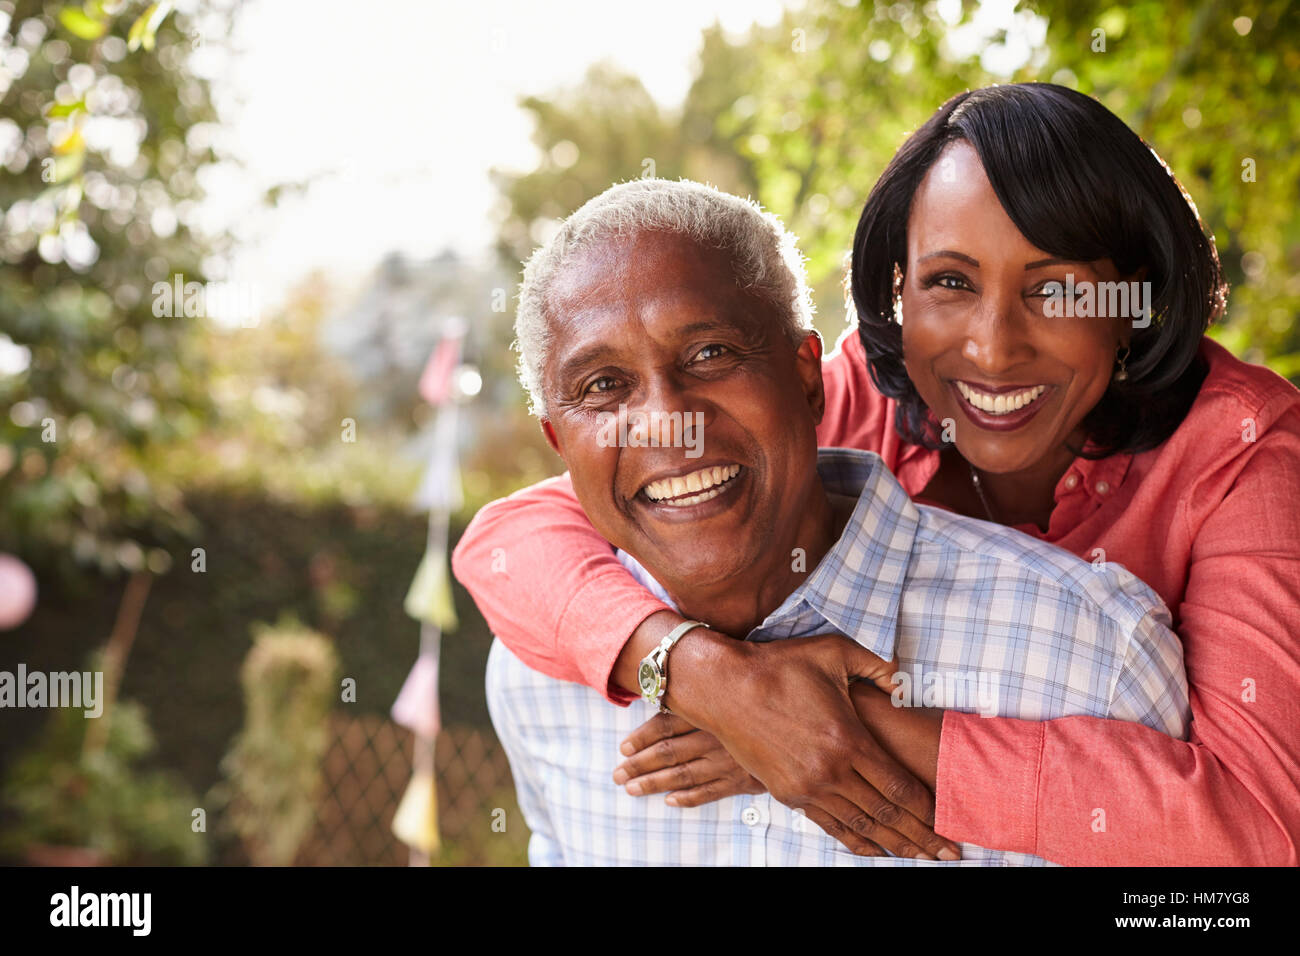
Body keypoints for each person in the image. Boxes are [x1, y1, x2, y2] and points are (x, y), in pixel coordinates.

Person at [455, 84, 1300, 865]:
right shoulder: (866, 383)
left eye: (1057, 292)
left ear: (1135, 303)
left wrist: (831, 734)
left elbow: (1259, 832)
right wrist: (709, 680)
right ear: (898, 293)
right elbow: (509, 539)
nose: (993, 348)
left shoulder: (1247, 451)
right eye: (949, 283)